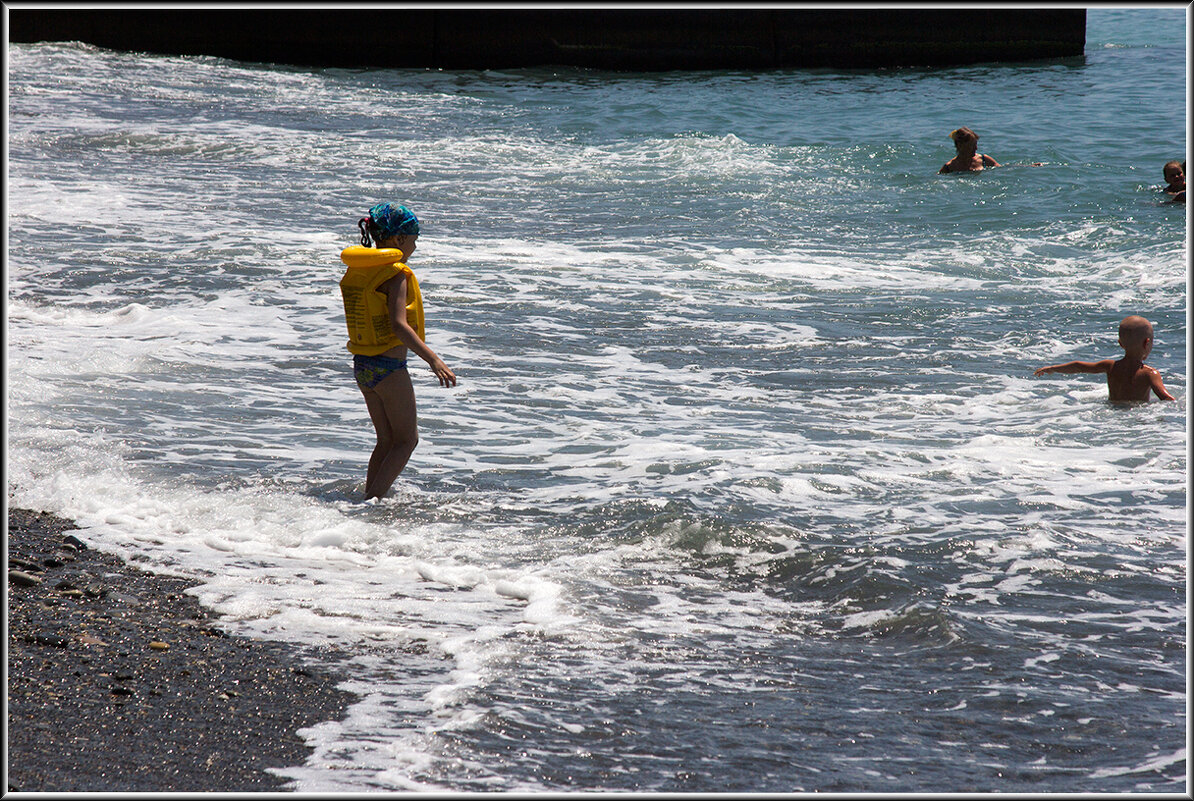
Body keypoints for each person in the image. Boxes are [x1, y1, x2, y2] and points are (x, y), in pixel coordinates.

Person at [339, 203, 456, 500]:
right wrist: (434, 359)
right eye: (414, 238)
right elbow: (399, 325)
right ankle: (372, 503)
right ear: (399, 239)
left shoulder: (364, 270)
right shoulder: (395, 274)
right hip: (389, 370)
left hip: (363, 367)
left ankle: (370, 495)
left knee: (386, 441)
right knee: (406, 441)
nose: (415, 245)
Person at [1034, 315, 1175, 402]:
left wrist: (1052, 368)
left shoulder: (1110, 366)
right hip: (1136, 417)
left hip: (1113, 414)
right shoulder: (1150, 374)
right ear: (1147, 343)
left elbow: (1079, 366)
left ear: (1120, 343)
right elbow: (1166, 398)